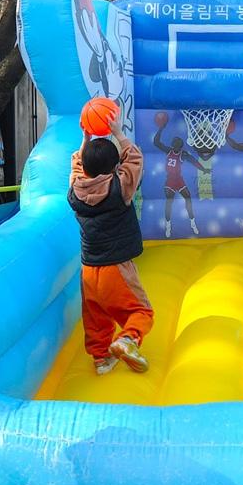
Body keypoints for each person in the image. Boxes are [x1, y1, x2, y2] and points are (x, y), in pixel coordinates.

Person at [70, 112, 153, 374]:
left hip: (88, 270)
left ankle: (101, 359)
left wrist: (86, 139)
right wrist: (117, 133)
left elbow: (75, 165)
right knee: (142, 311)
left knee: (95, 317)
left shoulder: (75, 190)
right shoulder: (120, 188)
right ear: (115, 167)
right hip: (116, 268)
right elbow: (136, 159)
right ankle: (128, 339)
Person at [152, 122, 204, 238]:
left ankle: (192, 222)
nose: (174, 146)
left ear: (179, 146)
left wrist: (204, 169)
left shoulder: (182, 154)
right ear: (172, 145)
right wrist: (160, 128)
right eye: (173, 144)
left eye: (176, 144)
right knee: (169, 201)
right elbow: (156, 142)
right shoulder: (168, 150)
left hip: (179, 180)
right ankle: (168, 225)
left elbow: (193, 161)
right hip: (170, 181)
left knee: (188, 198)